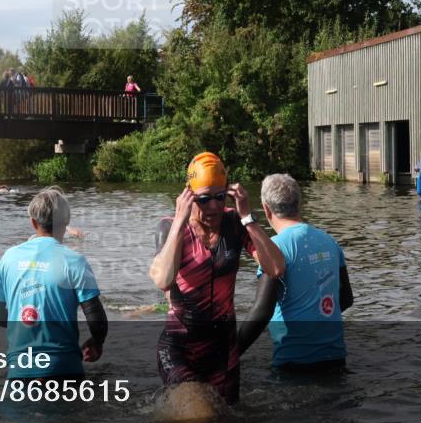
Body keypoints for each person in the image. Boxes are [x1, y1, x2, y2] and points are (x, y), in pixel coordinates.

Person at [148, 152, 284, 404]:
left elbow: (275, 268)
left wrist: (248, 219)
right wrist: (180, 221)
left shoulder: (233, 222)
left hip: (223, 351)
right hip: (180, 348)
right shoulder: (169, 227)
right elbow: (163, 279)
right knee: (197, 413)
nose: (213, 207)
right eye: (204, 199)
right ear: (188, 195)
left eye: (220, 197)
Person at [0, 186, 107, 380]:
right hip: (65, 367)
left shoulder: (9, 257)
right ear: (66, 222)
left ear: (34, 223)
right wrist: (97, 341)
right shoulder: (75, 261)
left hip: (20, 369)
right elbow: (96, 319)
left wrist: (27, 324)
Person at [237, 174, 353, 372]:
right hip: (335, 359)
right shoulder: (329, 241)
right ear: (300, 204)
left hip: (293, 363)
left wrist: (231, 353)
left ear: (266, 209)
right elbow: (346, 299)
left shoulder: (275, 248)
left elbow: (261, 312)